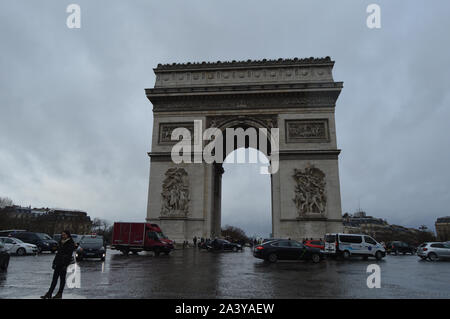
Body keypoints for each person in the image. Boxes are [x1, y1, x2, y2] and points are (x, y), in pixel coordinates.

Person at [41, 230, 76, 299]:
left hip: (64, 264)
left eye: (64, 235)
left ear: (68, 235)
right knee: (54, 279)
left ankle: (59, 294)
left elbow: (69, 255)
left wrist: (65, 265)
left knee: (62, 279)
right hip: (58, 262)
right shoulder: (61, 242)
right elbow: (58, 254)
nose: (63, 236)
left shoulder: (70, 243)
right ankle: (49, 293)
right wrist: (54, 262)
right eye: (62, 235)